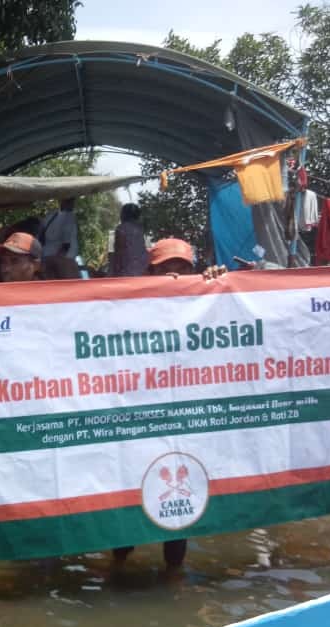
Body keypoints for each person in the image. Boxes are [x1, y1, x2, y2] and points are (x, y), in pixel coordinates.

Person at [113, 237, 226, 569]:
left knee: (180, 505)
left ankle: (173, 575)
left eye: (182, 268)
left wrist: (219, 283)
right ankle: (118, 566)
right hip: (137, 421)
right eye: (166, 269)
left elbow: (237, 316)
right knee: (124, 504)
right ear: (150, 272)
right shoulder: (128, 306)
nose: (175, 276)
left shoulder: (204, 301)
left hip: (181, 424)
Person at [39, 198, 80, 279]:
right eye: (71, 201)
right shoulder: (69, 216)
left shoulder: (51, 215)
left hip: (45, 256)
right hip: (63, 260)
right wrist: (58, 260)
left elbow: (41, 236)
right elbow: (66, 245)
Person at [111, 203, 149, 277]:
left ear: (123, 215)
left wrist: (115, 270)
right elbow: (148, 249)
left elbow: (119, 250)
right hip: (143, 269)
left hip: (127, 269)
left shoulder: (121, 228)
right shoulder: (142, 229)